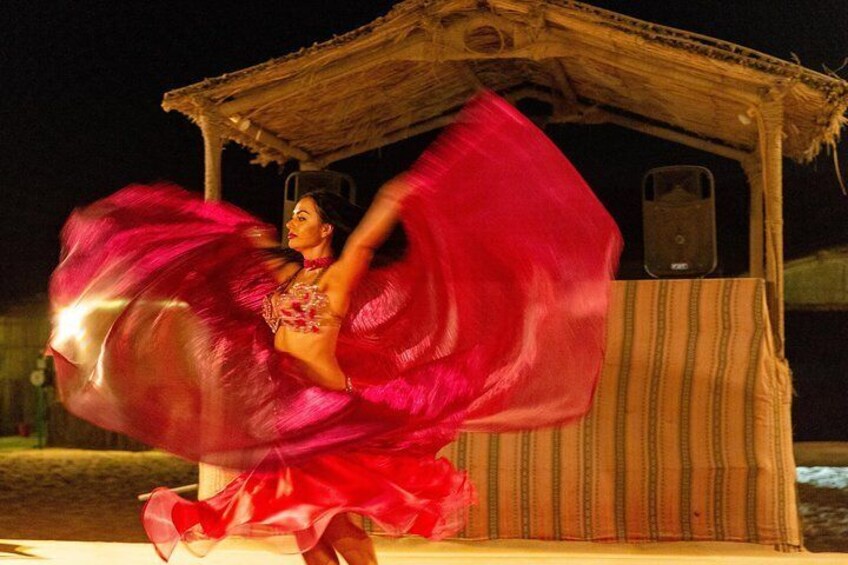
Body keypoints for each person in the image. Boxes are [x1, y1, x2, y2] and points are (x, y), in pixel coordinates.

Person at [48, 91, 623, 564]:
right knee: (307, 530)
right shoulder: (281, 284)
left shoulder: (335, 280)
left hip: (328, 413)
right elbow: (229, 306)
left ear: (325, 230)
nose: (292, 223)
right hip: (286, 417)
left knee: (333, 521)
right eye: (292, 216)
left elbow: (369, 237)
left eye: (303, 217)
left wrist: (406, 190)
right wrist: (224, 247)